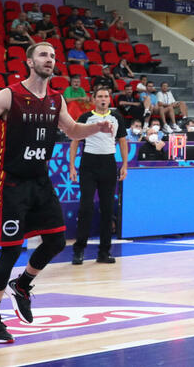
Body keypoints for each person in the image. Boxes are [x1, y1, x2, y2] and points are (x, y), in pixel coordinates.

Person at [0, 41, 114, 343]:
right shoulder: (9, 95)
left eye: (53, 56)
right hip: (11, 183)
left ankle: (23, 285)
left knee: (56, 239)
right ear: (29, 62)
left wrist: (97, 128)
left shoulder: (57, 100)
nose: (50, 59)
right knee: (11, 250)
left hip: (40, 181)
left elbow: (72, 131)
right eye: (43, 54)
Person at [69, 87, 129, 265]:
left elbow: (123, 142)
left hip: (108, 164)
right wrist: (72, 166)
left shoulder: (116, 117)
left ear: (110, 100)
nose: (103, 99)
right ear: (93, 99)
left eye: (106, 96)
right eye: (100, 96)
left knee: (107, 209)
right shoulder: (86, 118)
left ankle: (104, 252)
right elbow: (74, 141)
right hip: (88, 164)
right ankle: (79, 251)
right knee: (86, 207)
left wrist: (125, 164)